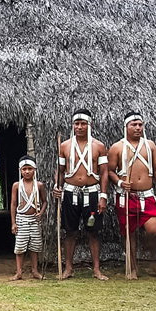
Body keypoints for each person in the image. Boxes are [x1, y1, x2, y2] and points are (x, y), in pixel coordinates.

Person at [108, 112, 156, 279]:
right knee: (129, 233)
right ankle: (133, 267)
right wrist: (119, 182)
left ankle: (153, 263)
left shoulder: (150, 145)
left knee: (154, 230)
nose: (138, 128)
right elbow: (110, 171)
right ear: (126, 127)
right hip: (126, 196)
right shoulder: (117, 147)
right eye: (134, 125)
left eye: (140, 125)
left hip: (147, 195)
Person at [54, 109, 109, 281]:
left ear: (89, 125)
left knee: (93, 232)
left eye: (83, 123)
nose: (79, 127)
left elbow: (104, 173)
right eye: (76, 124)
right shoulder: (64, 146)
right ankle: (68, 268)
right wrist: (57, 186)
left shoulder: (99, 146)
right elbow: (60, 171)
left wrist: (103, 196)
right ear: (73, 126)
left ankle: (96, 269)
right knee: (70, 231)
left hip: (92, 192)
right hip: (70, 192)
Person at [10, 155, 46, 281]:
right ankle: (19, 272)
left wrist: (40, 213)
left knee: (34, 246)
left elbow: (45, 202)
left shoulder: (39, 185)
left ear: (34, 170)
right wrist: (13, 223)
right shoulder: (16, 186)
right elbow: (13, 204)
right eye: (24, 169)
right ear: (20, 170)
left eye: (29, 168)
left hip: (34, 220)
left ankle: (35, 271)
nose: (27, 171)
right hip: (21, 219)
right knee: (20, 247)